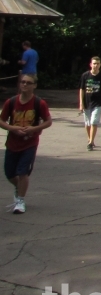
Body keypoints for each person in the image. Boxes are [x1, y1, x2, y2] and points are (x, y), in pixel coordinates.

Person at [0, 75, 51, 214]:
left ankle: (20, 200)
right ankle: (19, 187)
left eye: (28, 83)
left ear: (34, 85)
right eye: (23, 82)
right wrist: (12, 128)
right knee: (10, 173)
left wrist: (34, 129)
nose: (25, 85)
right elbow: (1, 120)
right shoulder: (11, 102)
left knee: (23, 172)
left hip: (29, 144)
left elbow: (48, 121)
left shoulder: (39, 103)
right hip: (12, 143)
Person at [79, 57, 101, 151]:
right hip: (87, 102)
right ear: (90, 64)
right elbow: (81, 90)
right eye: (94, 63)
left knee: (94, 122)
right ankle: (90, 139)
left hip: (98, 103)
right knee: (88, 123)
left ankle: (91, 142)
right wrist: (81, 103)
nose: (96, 65)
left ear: (100, 65)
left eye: (98, 64)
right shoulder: (85, 75)